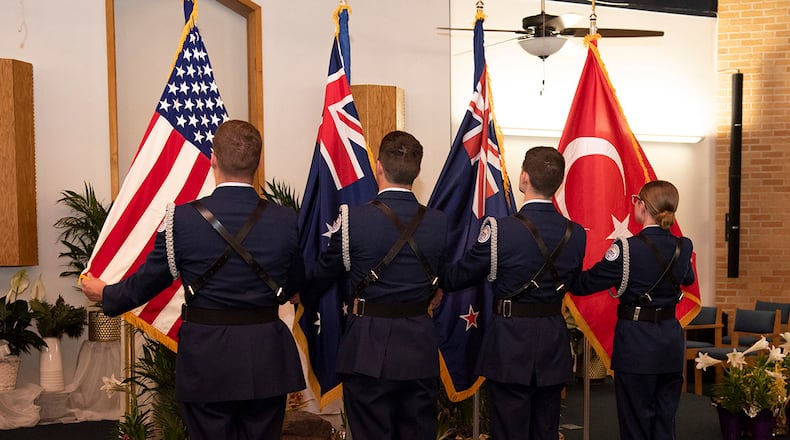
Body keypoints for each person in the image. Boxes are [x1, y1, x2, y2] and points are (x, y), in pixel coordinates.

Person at [81, 120, 305, 440]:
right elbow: (295, 281)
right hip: (266, 357)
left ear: (213, 158)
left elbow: (148, 282)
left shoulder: (181, 220)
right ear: (257, 163)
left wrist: (107, 293)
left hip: (207, 359)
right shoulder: (287, 220)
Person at [303, 130, 447, 440]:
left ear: (378, 167)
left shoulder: (353, 219)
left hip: (367, 348)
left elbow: (323, 274)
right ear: (417, 171)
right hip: (419, 349)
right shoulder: (440, 223)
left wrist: (301, 294)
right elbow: (446, 277)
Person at [441, 146, 587, 440]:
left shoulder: (499, 230)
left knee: (509, 430)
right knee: (545, 430)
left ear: (523, 178)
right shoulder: (577, 233)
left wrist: (431, 259)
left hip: (510, 344)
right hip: (553, 343)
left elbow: (458, 277)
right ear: (558, 183)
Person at [573, 180, 694, 440]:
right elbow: (688, 279)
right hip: (670, 344)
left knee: (636, 423)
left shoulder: (626, 248)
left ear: (642, 206)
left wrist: (563, 268)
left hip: (637, 343)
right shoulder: (684, 246)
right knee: (665, 421)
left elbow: (586, 284)